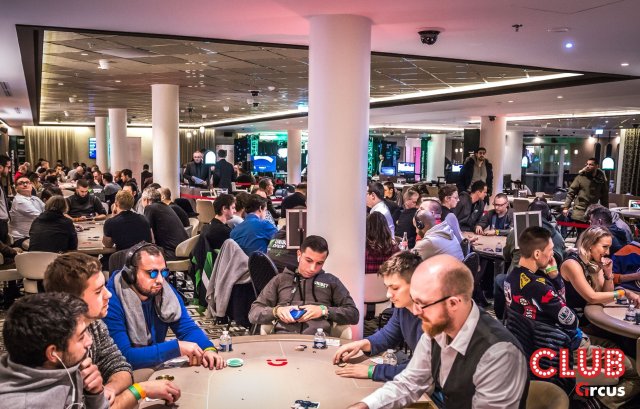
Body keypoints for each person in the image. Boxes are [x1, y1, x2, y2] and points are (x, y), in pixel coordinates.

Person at [347, 255, 528, 409]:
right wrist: (365, 405)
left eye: (422, 304)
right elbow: (409, 383)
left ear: (453, 303)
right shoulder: (436, 329)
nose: (415, 312)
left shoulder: (499, 354)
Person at [44, 252, 182, 408]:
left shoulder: (95, 324)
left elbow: (119, 365)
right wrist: (140, 390)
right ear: (71, 300)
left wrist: (111, 388)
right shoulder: (57, 344)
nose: (108, 294)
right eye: (98, 291)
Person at [103, 242, 226, 370]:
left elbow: (187, 328)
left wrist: (207, 349)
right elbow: (124, 357)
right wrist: (176, 347)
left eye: (163, 272)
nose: (160, 280)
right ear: (131, 274)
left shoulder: (165, 291)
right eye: (152, 273)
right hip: (124, 372)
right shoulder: (110, 302)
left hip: (153, 366)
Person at [0, 292, 109, 409]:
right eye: (81, 337)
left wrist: (95, 395)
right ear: (53, 353)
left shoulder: (65, 365)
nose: (89, 341)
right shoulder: (22, 404)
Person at [334, 252, 423, 382]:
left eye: (395, 288)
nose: (388, 295)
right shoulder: (402, 309)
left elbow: (422, 370)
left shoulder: (432, 316)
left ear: (416, 284)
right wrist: (361, 344)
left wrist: (373, 371)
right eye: (387, 287)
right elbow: (388, 336)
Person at [249, 235, 359, 334]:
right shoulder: (280, 280)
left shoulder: (331, 281)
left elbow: (353, 314)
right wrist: (276, 311)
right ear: (299, 254)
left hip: (318, 341)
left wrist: (323, 310)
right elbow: (253, 313)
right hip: (283, 340)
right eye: (308, 260)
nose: (312, 268)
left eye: (319, 263)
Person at [493, 200, 565, 319]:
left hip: (517, 284)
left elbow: (506, 256)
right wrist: (556, 278)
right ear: (548, 216)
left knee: (499, 279)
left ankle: (502, 318)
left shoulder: (517, 232)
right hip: (547, 285)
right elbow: (568, 318)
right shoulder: (557, 237)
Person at [190, 193, 236, 307]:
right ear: (224, 209)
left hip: (208, 272)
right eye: (233, 208)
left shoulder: (207, 227)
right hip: (220, 271)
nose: (235, 211)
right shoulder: (225, 232)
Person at [143, 187, 189, 260]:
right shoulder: (166, 207)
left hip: (172, 253)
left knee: (140, 255)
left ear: (147, 200)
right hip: (183, 251)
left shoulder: (150, 208)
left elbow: (146, 231)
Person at [562, 158, 609, 223]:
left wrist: (606, 212)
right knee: (580, 228)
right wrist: (566, 207)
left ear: (596, 166)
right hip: (579, 211)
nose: (587, 166)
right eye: (587, 164)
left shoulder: (601, 180)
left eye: (590, 164)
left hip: (593, 213)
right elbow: (571, 193)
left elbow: (604, 198)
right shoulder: (580, 177)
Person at [9, 176, 45, 248]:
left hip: (36, 235)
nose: (25, 185)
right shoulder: (19, 201)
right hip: (22, 237)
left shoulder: (35, 198)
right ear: (16, 188)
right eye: (21, 183)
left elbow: (47, 210)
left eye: (27, 182)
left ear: (31, 185)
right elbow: (40, 216)